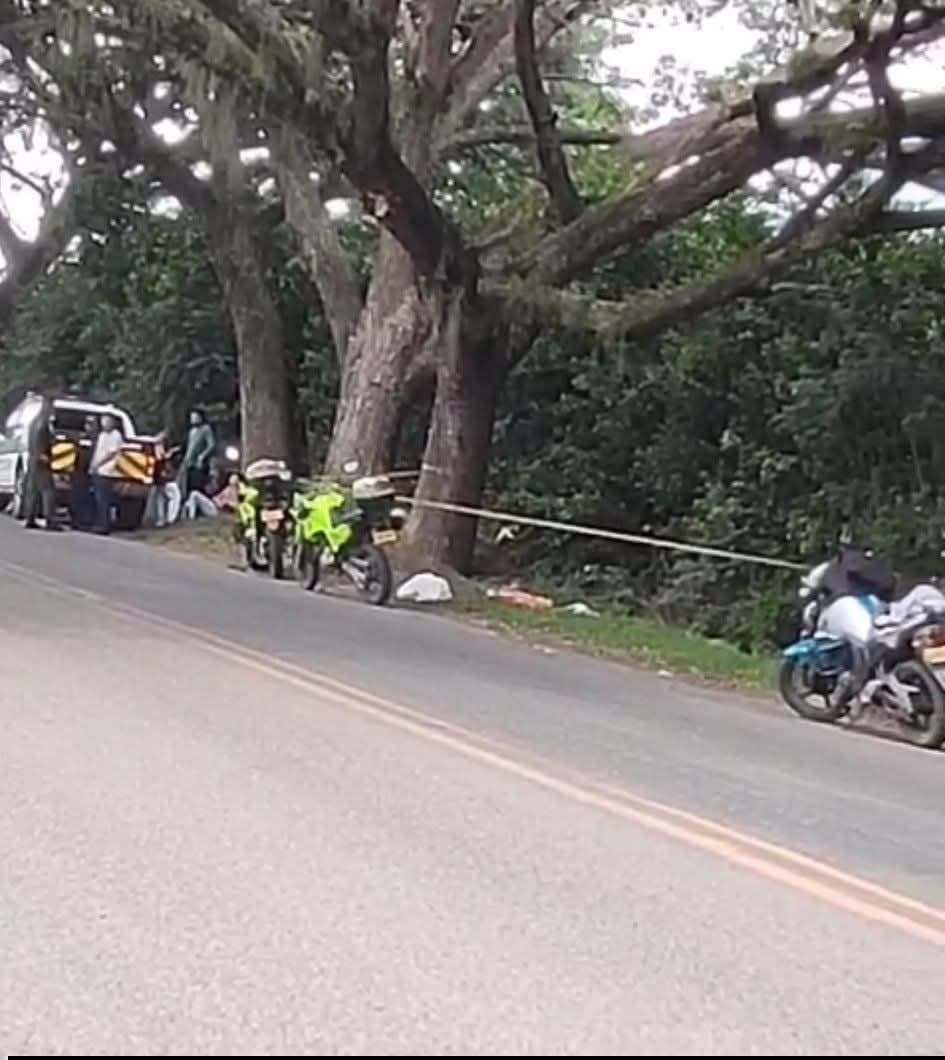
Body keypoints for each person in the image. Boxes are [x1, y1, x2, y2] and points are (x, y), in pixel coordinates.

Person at [23, 394, 60, 531]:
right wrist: (43, 455)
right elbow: (41, 439)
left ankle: (30, 517)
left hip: (33, 459)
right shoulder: (43, 423)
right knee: (48, 490)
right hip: (41, 460)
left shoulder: (34, 421)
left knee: (33, 490)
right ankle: (50, 520)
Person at [89, 412, 124, 534]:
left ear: (113, 423)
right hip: (98, 471)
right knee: (98, 499)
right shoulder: (102, 435)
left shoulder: (116, 436)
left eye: (107, 421)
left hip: (108, 471)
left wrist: (98, 464)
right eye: (103, 421)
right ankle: (98, 523)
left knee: (104, 500)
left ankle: (104, 526)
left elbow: (111, 453)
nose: (105, 423)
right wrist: (93, 465)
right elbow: (97, 452)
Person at [69, 414, 98, 530]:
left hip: (91, 472)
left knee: (88, 499)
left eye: (91, 424)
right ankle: (75, 521)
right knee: (75, 498)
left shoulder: (98, 439)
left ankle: (86, 522)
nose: (89, 426)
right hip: (77, 472)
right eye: (87, 424)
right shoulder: (80, 438)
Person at [150, 431, 182, 528]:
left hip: (158, 478)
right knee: (175, 496)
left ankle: (161, 520)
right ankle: (170, 519)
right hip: (164, 477)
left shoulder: (153, 447)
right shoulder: (158, 447)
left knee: (161, 499)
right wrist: (170, 453)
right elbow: (161, 458)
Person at [182, 408, 215, 498]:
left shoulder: (206, 429)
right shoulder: (191, 431)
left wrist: (203, 455)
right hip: (189, 462)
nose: (193, 419)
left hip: (199, 462)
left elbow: (211, 445)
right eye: (192, 417)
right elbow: (190, 447)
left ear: (200, 418)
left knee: (198, 484)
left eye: (195, 417)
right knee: (189, 485)